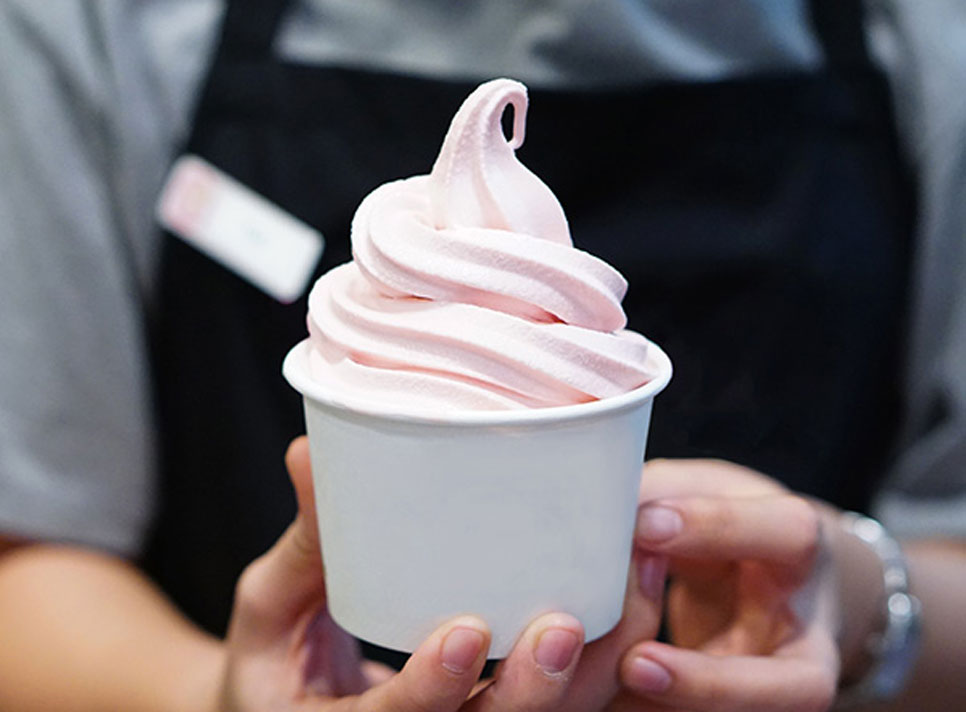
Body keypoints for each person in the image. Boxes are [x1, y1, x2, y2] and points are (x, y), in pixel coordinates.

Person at [1, 0, 965, 710]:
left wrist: (863, 605)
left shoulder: (932, 37)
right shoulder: (93, 25)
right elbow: (29, 558)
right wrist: (207, 696)